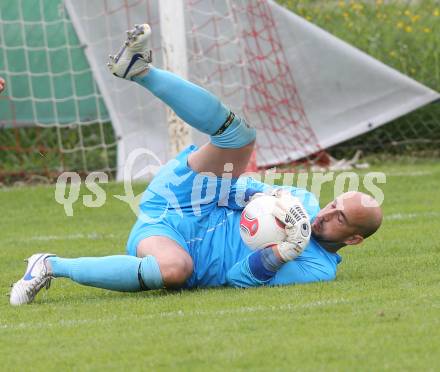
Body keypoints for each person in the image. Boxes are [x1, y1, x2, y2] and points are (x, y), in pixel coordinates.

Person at [9, 24, 382, 306]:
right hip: (189, 197)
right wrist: (273, 198)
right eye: (334, 205)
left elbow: (239, 280)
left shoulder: (316, 270)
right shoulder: (306, 204)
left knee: (175, 271)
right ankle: (140, 70)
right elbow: (240, 189)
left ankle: (49, 264)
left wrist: (282, 251)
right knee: (239, 138)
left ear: (353, 239)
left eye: (340, 218)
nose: (326, 214)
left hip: (167, 233)